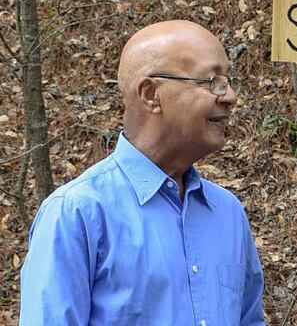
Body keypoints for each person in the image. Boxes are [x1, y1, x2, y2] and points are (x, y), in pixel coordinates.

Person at [20, 20, 266, 325]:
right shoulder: (77, 214)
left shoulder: (227, 213)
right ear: (151, 94)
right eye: (212, 80)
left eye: (229, 81)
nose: (230, 96)